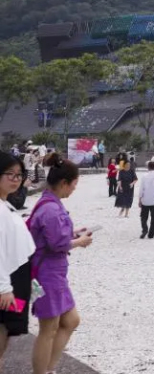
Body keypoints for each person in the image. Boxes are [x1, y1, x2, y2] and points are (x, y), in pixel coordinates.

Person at [28, 154, 93, 374]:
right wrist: (79, 241)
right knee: (48, 329)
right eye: (73, 185)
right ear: (64, 183)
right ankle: (42, 371)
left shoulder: (48, 203)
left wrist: (73, 233)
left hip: (53, 274)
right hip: (47, 275)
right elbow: (57, 244)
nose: (74, 190)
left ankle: (48, 368)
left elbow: (52, 237)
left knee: (71, 320)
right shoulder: (51, 209)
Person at [0, 152, 34, 363]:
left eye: (19, 175)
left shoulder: (6, 203)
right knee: (3, 326)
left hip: (17, 275)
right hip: (8, 280)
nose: (15, 179)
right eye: (9, 174)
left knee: (8, 329)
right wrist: (4, 288)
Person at [138, 161, 154, 239]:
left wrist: (139, 199)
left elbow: (141, 189)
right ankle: (151, 234)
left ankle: (145, 229)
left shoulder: (144, 176)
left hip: (145, 200)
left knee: (143, 217)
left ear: (148, 167)